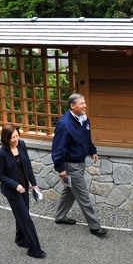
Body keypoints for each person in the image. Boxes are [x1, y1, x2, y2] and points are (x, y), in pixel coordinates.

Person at [51, 93, 108, 237]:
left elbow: (87, 139)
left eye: (84, 103)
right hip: (71, 166)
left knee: (69, 191)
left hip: (80, 163)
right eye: (81, 103)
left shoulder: (84, 119)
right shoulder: (64, 124)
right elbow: (58, 148)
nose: (85, 106)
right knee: (83, 196)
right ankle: (95, 227)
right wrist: (61, 168)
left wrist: (92, 150)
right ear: (72, 106)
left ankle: (60, 216)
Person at [0, 124, 46, 259]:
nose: (16, 139)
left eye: (17, 136)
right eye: (12, 138)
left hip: (25, 187)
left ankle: (20, 239)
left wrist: (34, 184)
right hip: (13, 191)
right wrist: (15, 185)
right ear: (6, 138)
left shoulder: (21, 145)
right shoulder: (1, 153)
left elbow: (27, 165)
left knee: (22, 214)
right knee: (26, 218)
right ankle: (35, 249)